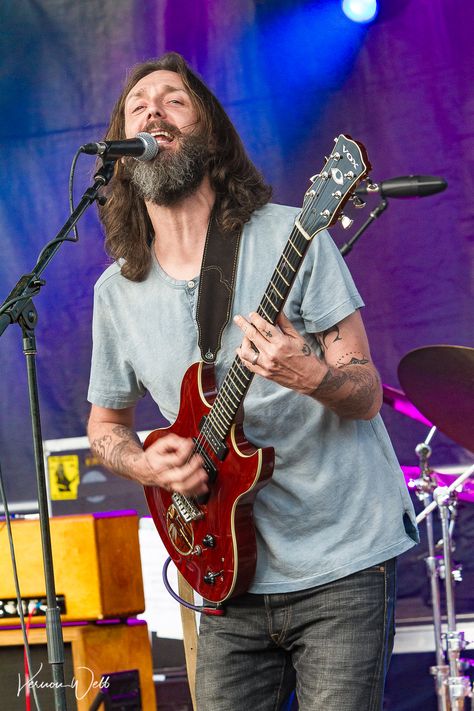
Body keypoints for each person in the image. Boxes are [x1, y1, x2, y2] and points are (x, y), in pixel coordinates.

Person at [87, 52, 418, 711]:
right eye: (138, 103)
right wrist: (151, 466)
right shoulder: (115, 290)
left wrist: (312, 375)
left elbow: (366, 391)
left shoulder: (294, 234)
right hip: (228, 573)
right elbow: (106, 427)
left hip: (340, 560)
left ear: (209, 128)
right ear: (123, 153)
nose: (153, 108)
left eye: (174, 99)